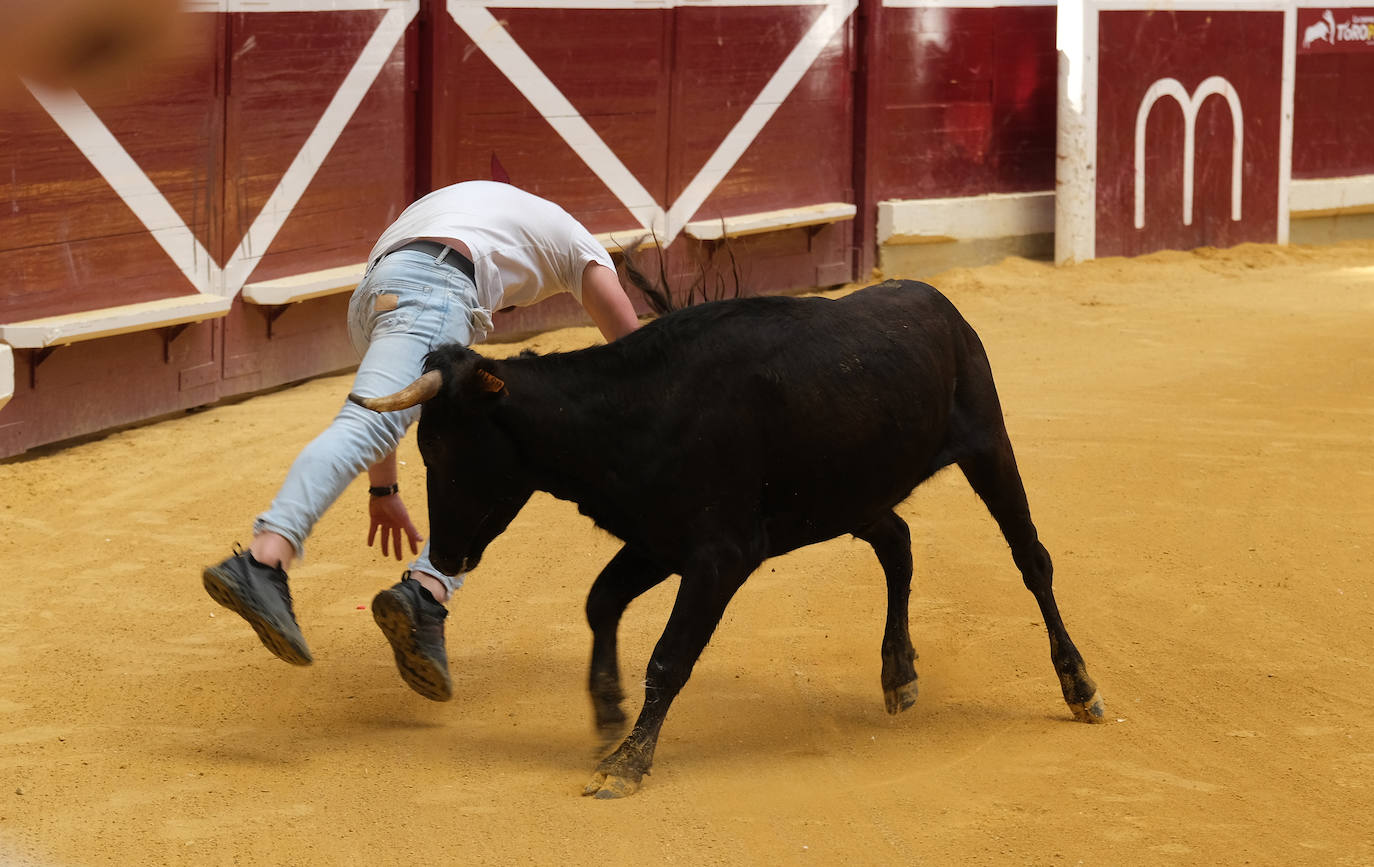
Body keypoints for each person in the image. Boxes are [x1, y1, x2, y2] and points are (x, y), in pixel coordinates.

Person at [201, 180, 641, 701]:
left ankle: (425, 597)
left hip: (376, 293)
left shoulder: (466, 208)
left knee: (491, 451)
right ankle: (262, 559)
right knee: (367, 427)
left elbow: (391, 395)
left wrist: (383, 490)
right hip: (436, 293)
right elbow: (635, 359)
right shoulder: (581, 247)